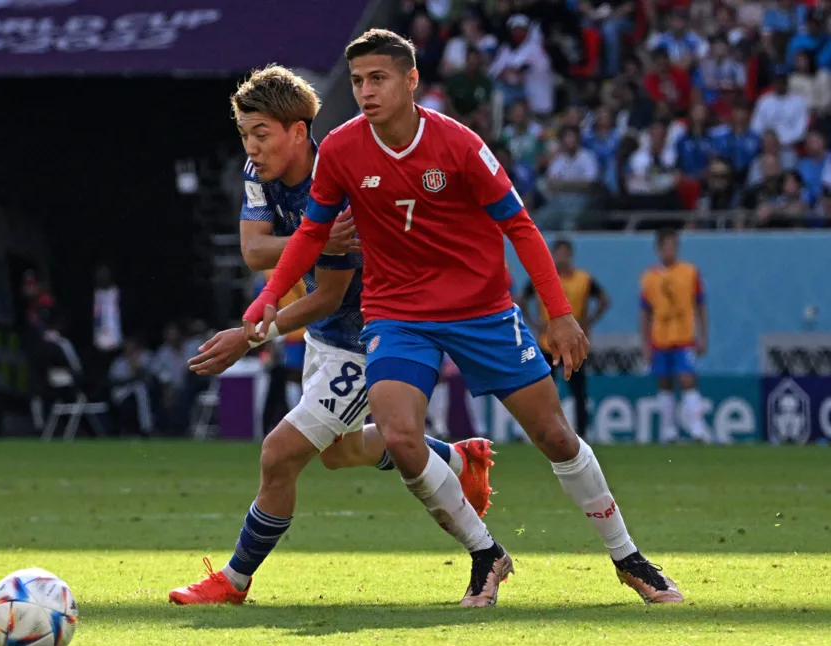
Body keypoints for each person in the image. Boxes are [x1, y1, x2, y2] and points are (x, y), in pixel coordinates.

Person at [243, 30, 682, 607]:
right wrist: (268, 297)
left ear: (411, 80)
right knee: (400, 437)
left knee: (554, 435)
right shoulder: (346, 150)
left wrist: (561, 314)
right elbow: (311, 235)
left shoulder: (459, 145)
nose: (367, 92)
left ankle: (628, 558)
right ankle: (486, 555)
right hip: (398, 314)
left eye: (378, 79)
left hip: (482, 310)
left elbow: (519, 226)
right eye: (357, 81)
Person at [169, 65, 496, 606]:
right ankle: (458, 459)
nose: (251, 147)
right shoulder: (262, 174)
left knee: (279, 454)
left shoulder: (341, 183)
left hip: (370, 335)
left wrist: (248, 338)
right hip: (323, 335)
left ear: (299, 132)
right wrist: (314, 239)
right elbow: (253, 252)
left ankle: (234, 580)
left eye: (261, 134)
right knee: (339, 453)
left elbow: (325, 294)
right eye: (245, 135)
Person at [517, 239, 610, 437]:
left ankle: (582, 434)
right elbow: (522, 300)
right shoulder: (543, 277)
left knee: (578, 392)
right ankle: (542, 431)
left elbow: (604, 300)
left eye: (564, 254)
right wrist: (535, 323)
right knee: (543, 391)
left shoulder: (583, 279)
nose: (561, 258)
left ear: (570, 255)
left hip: (573, 343)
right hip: (547, 343)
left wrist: (587, 322)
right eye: (557, 253)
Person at [640, 229, 711, 444]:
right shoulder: (649, 278)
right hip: (660, 337)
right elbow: (645, 313)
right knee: (664, 382)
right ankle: (668, 430)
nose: (669, 250)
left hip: (684, 336)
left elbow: (700, 305)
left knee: (687, 379)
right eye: (666, 246)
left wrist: (703, 335)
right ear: (658, 248)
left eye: (673, 245)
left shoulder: (690, 272)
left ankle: (697, 429)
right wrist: (645, 344)